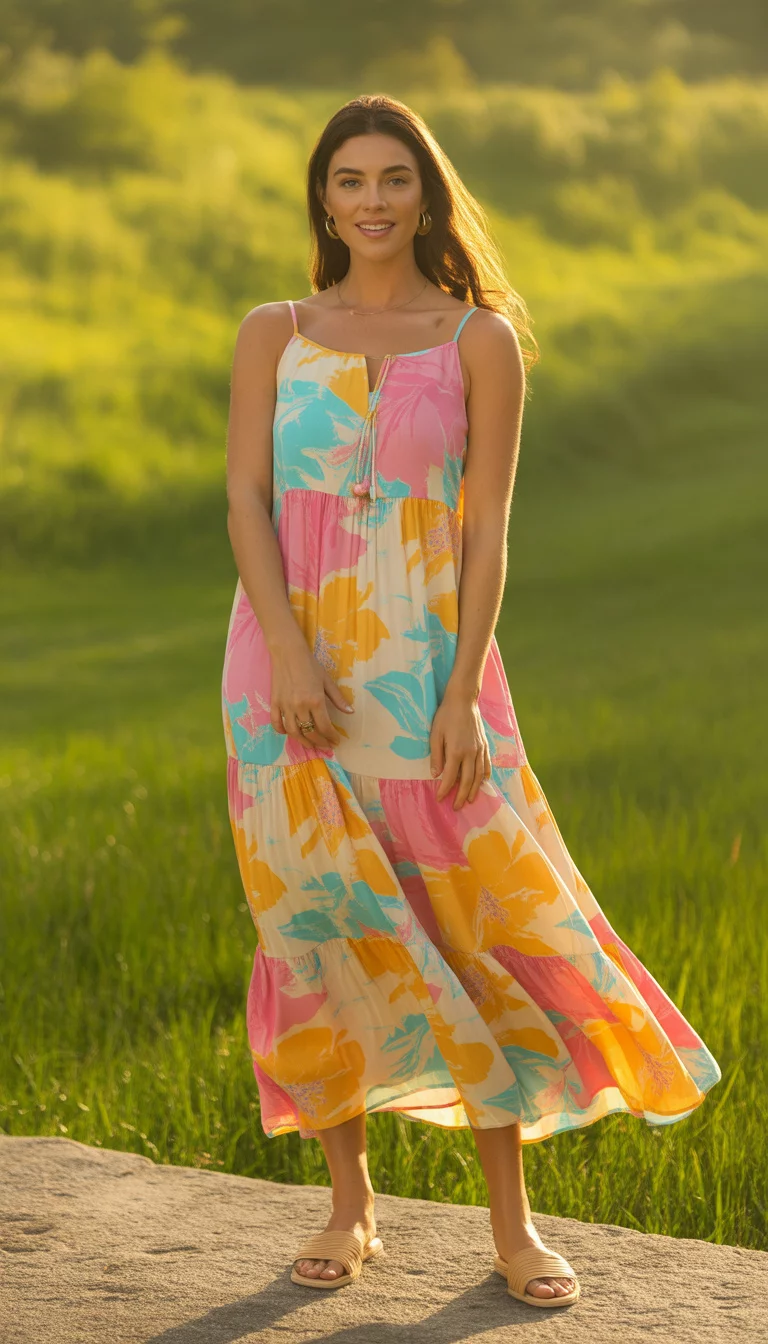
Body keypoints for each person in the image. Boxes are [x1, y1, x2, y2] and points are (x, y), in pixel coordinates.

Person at [222, 93, 720, 1309]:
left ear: (427, 196)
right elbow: (245, 501)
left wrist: (459, 695)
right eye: (351, 180)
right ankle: (351, 1207)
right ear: (323, 197)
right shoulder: (274, 332)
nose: (373, 201)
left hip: (427, 666)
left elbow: (488, 527)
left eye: (395, 178)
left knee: (471, 921)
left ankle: (513, 1227)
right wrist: (287, 655)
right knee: (313, 924)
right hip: (282, 668)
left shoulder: (478, 339)